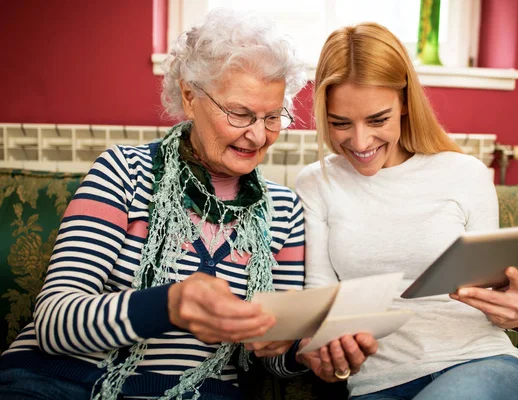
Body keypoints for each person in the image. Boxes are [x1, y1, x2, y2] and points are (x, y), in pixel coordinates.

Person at [0, 9, 315, 400]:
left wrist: (300, 350)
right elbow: (54, 323)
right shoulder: (123, 172)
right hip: (59, 383)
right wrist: (168, 304)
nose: (257, 135)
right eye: (240, 113)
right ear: (190, 95)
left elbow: (275, 357)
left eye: (272, 117)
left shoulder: (284, 210)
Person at [295, 22, 518, 400]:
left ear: (406, 103)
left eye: (377, 120)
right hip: (377, 384)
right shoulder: (316, 183)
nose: (360, 142)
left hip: (479, 364)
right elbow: (321, 297)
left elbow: (492, 295)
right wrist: (319, 347)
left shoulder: (466, 174)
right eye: (340, 123)